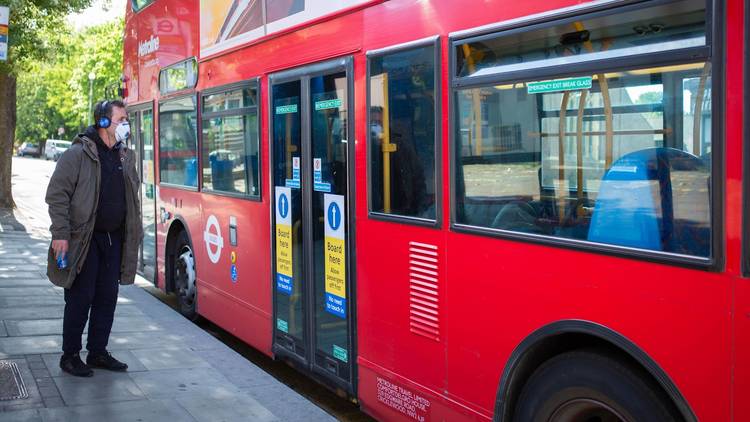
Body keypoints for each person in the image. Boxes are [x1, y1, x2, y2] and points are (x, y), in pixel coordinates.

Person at [45, 100, 143, 377]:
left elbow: (131, 199)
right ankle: (70, 355)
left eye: (127, 119)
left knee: (107, 297)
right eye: (121, 119)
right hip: (84, 239)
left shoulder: (125, 156)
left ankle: (98, 352)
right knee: (80, 297)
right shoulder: (79, 153)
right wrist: (61, 234)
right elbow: (57, 195)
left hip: (114, 240)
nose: (126, 124)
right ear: (103, 122)